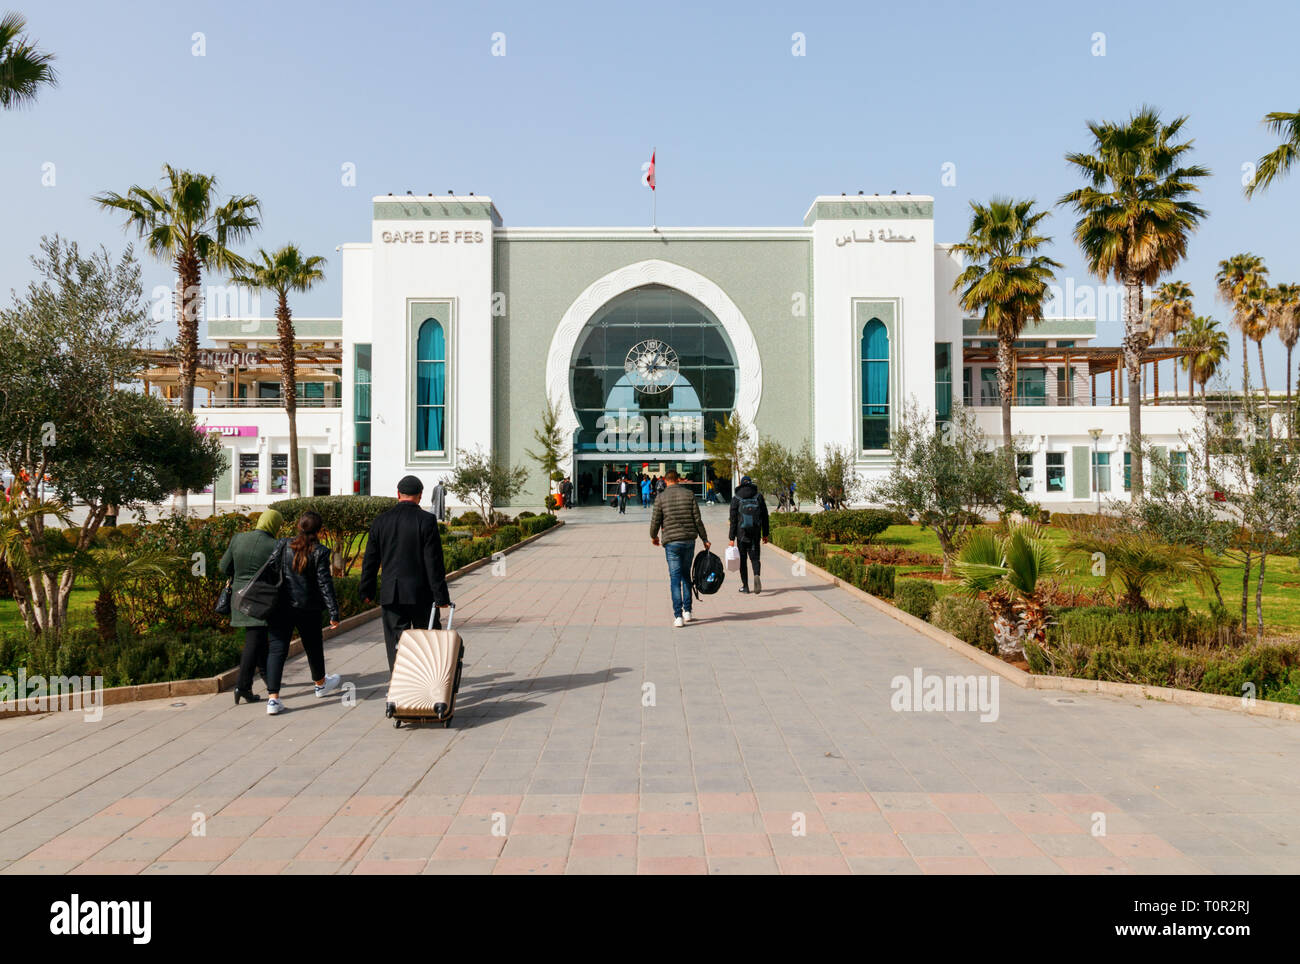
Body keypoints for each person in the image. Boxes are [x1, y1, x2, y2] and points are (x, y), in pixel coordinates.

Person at [359, 475, 452, 677]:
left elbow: (371, 560)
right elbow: (433, 562)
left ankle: (398, 686)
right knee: (427, 641)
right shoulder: (427, 521)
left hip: (391, 594)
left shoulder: (381, 521)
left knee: (395, 642)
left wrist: (366, 590)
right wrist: (441, 597)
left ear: (398, 494)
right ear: (420, 496)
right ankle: (425, 683)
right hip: (422, 595)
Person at [264, 511, 343, 716]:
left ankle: (273, 699)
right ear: (319, 531)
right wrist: (334, 612)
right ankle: (320, 684)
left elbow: (270, 569)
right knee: (313, 647)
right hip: (308, 608)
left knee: (276, 650)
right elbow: (325, 584)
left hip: (281, 607)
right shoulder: (320, 552)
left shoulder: (283, 544)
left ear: (299, 526)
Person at [219, 508, 282, 704]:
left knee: (258, 637)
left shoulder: (238, 539)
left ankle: (266, 677)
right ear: (275, 525)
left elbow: (224, 567)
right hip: (259, 600)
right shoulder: (275, 545)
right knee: (254, 640)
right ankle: (242, 686)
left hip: (239, 597)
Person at [649, 471, 710, 627]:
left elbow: (655, 520)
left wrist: (654, 536)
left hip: (671, 542)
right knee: (686, 575)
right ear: (678, 480)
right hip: (689, 540)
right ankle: (688, 611)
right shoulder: (689, 494)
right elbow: (697, 519)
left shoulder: (661, 497)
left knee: (675, 578)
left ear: (665, 481)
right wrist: (705, 539)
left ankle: (678, 616)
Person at [728, 475, 771, 594]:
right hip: (755, 533)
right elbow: (765, 517)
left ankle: (745, 586)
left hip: (741, 534)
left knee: (743, 560)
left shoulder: (736, 498)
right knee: (755, 557)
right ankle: (756, 575)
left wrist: (731, 538)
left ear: (741, 484)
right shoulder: (758, 496)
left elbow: (733, 520)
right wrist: (765, 534)